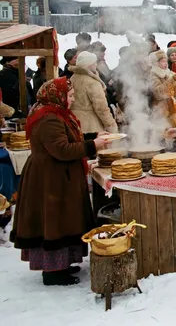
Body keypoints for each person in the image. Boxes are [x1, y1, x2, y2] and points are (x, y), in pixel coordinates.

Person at [11, 77, 111, 285]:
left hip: (57, 174)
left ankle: (62, 264)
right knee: (54, 221)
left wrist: (94, 135)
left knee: (63, 220)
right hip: (50, 177)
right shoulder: (48, 118)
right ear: (57, 96)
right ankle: (53, 271)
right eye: (70, 95)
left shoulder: (55, 113)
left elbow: (69, 136)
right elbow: (62, 149)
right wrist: (93, 145)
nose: (72, 99)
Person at [68, 51, 118, 134]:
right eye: (94, 63)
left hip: (74, 122)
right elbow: (101, 108)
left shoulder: (72, 78)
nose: (96, 65)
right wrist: (111, 126)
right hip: (91, 125)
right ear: (89, 65)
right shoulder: (92, 82)